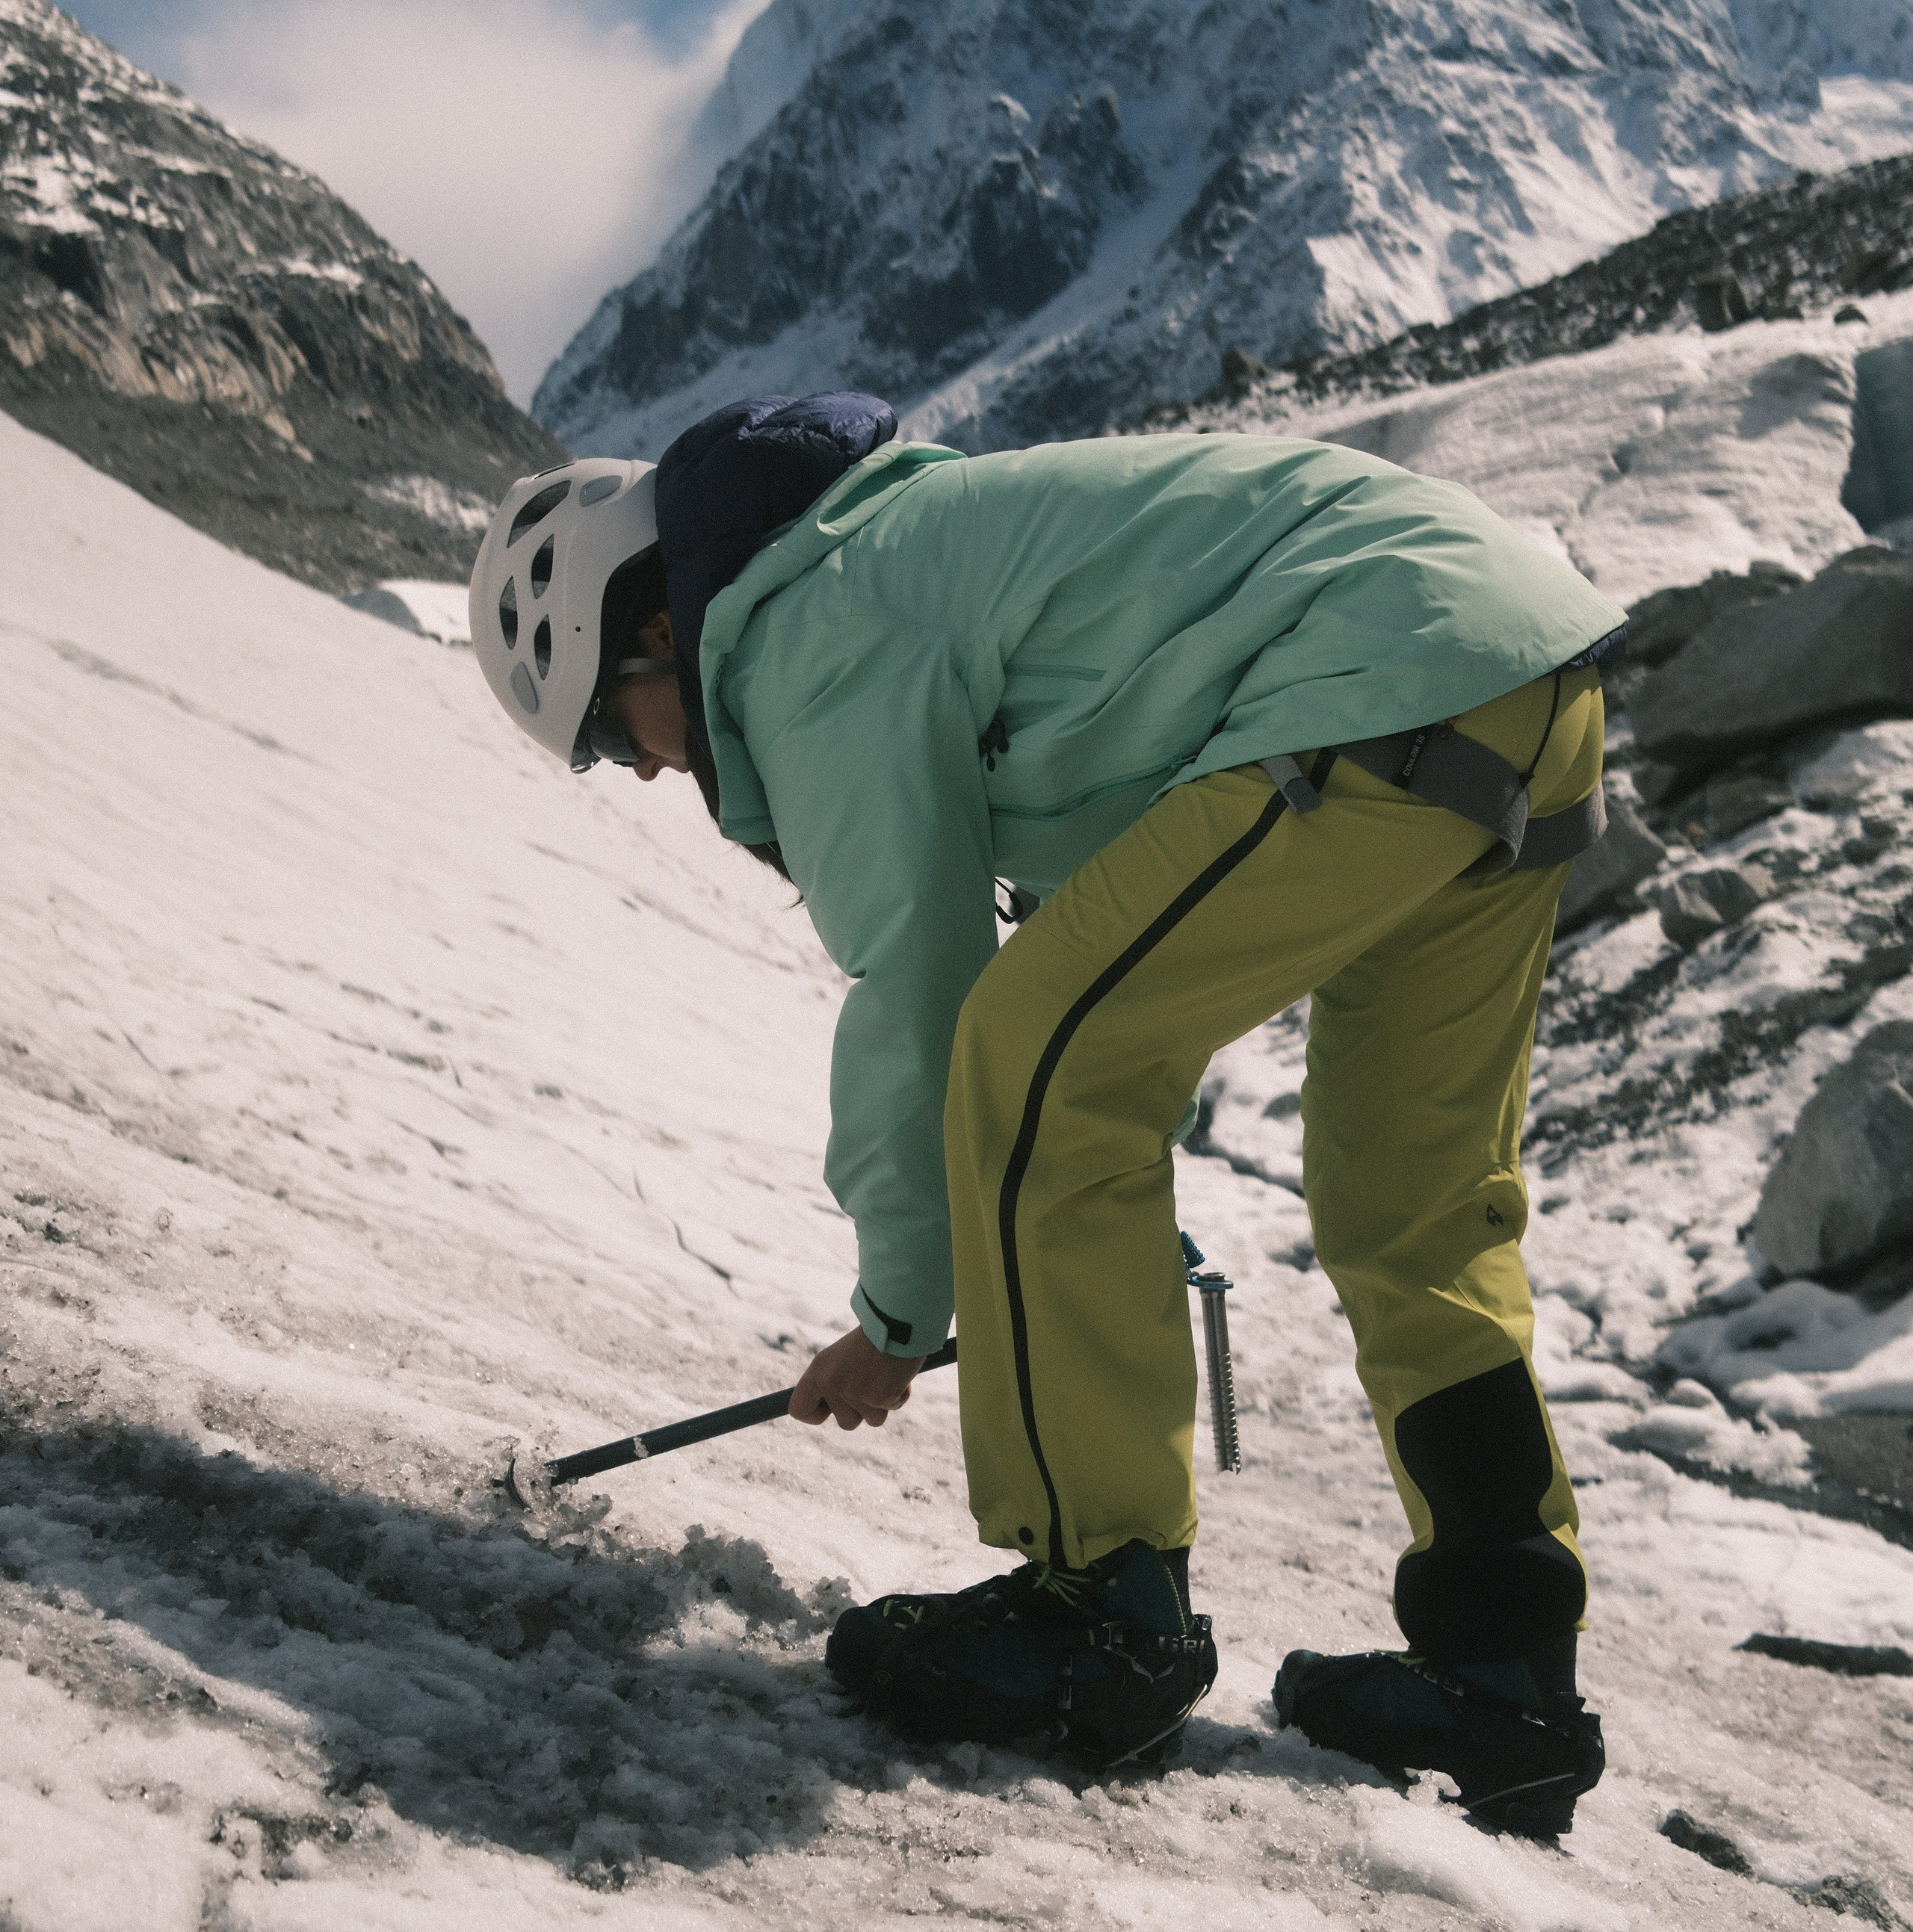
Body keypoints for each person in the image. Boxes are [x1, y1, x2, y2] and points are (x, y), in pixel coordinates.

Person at [469, 393, 1625, 1834]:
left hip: (1385, 672)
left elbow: (927, 997)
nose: (642, 769)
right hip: (1518, 674)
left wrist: (900, 1316)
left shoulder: (805, 632)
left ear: (648, 630)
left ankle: (1101, 1614)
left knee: (1030, 1062)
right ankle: (1506, 1673)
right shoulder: (898, 554)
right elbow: (1121, 915)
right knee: (1415, 1210)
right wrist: (1077, 1190)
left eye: (605, 735)